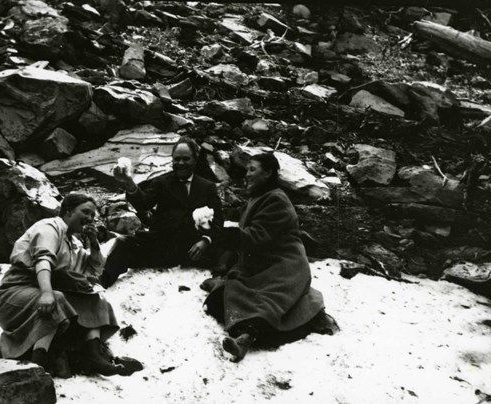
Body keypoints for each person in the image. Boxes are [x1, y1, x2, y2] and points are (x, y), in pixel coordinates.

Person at [203, 153, 338, 363]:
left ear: (268, 173)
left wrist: (223, 234)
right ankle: (245, 330)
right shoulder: (258, 198)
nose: (246, 175)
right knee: (221, 299)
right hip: (262, 264)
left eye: (252, 170)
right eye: (247, 169)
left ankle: (245, 339)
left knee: (265, 304)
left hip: (285, 267)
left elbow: (256, 237)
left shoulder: (276, 200)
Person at [0, 193, 127, 377]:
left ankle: (93, 355)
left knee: (96, 300)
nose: (89, 218)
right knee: (56, 299)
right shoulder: (49, 228)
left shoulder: (74, 242)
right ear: (68, 211)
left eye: (92, 216)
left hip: (40, 293)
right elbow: (43, 259)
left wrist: (94, 243)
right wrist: (47, 293)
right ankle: (38, 362)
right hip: (12, 294)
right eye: (85, 212)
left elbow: (94, 269)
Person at [98, 137, 224, 288]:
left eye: (186, 159)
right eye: (177, 159)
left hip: (192, 250)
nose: (181, 163)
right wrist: (129, 183)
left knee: (233, 244)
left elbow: (218, 221)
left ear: (195, 160)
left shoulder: (207, 187)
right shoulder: (161, 182)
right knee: (124, 244)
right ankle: (102, 283)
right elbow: (144, 204)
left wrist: (205, 241)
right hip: (161, 247)